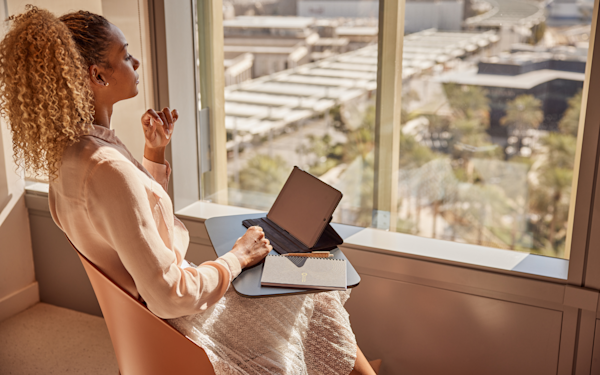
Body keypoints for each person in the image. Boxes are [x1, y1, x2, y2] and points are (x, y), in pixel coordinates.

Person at [0, 7, 376, 375]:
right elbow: (169, 294)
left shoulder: (73, 155)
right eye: (126, 56)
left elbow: (129, 219)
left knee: (308, 283)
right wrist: (237, 258)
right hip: (183, 323)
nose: (137, 64)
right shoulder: (106, 166)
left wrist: (154, 152)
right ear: (97, 75)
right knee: (316, 285)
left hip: (156, 319)